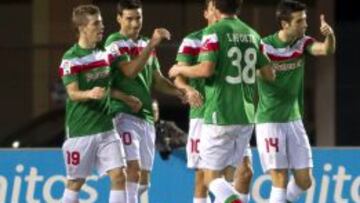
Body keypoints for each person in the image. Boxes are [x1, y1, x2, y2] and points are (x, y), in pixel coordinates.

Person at [169, 0, 275, 202]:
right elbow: (270, 74)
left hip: (219, 113)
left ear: (216, 8)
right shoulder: (195, 39)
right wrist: (188, 88)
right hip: (217, 114)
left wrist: (179, 69)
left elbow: (203, 69)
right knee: (206, 177)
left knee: (225, 176)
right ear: (206, 12)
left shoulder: (215, 33)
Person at [255, 1, 336, 202]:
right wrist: (262, 72)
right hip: (270, 120)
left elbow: (325, 50)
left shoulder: (303, 43)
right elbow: (254, 73)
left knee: (304, 181)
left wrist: (330, 36)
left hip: (294, 120)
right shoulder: (264, 46)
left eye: (305, 20)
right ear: (285, 24)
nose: (305, 25)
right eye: (299, 21)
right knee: (280, 178)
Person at [104, 0, 184, 202]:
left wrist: (180, 92)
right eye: (129, 18)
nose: (134, 23)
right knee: (133, 170)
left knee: (143, 180)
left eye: (138, 18)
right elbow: (129, 72)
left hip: (146, 117)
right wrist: (151, 45)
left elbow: (157, 80)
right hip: (123, 114)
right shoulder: (114, 42)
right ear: (119, 19)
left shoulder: (145, 44)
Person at [59, 5, 128, 203]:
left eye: (101, 22)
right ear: (82, 27)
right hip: (81, 131)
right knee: (75, 183)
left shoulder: (104, 54)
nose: (102, 26)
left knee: (118, 176)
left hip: (107, 128)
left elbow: (107, 89)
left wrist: (125, 98)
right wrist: (89, 93)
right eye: (96, 23)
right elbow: (72, 94)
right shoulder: (71, 59)